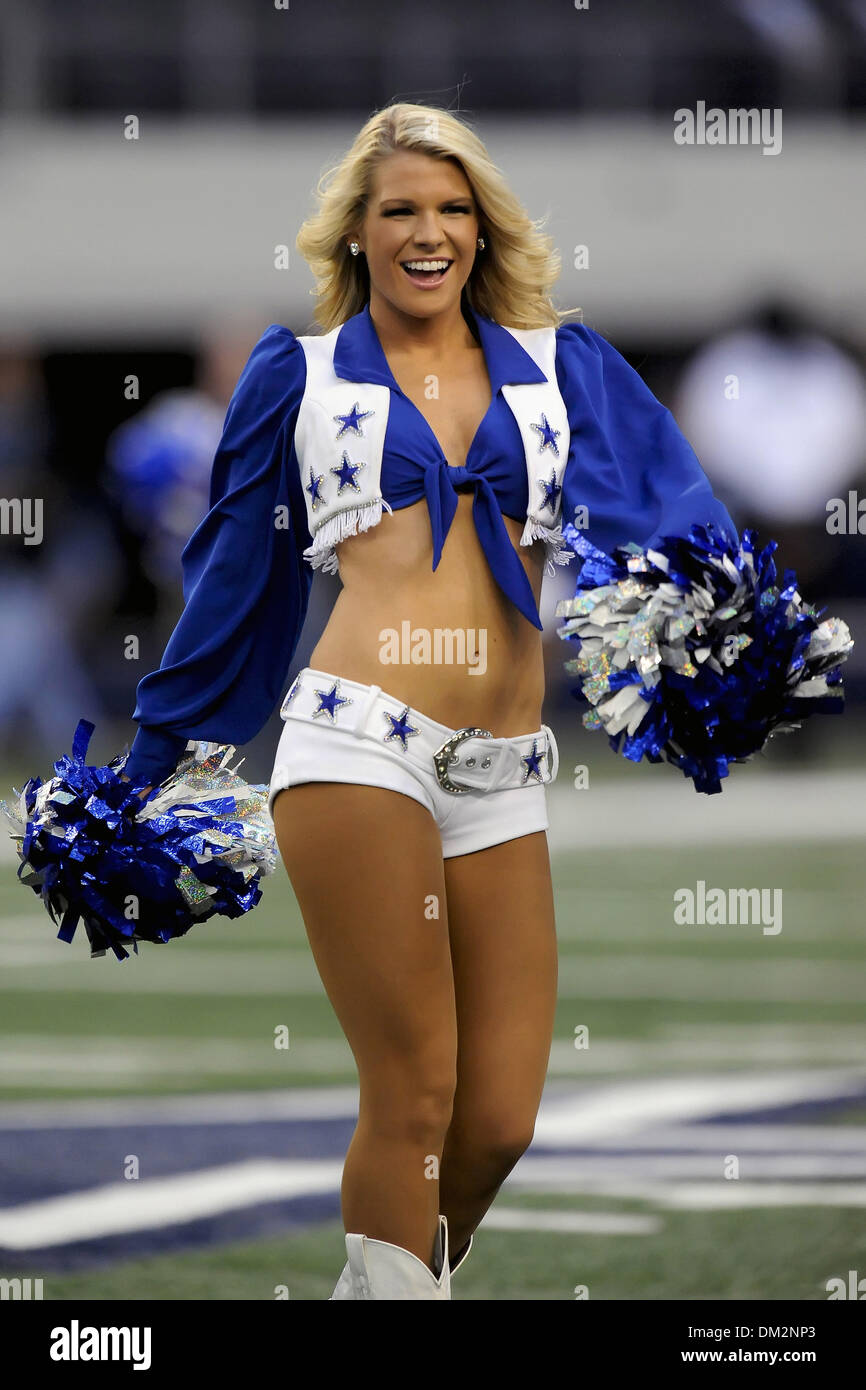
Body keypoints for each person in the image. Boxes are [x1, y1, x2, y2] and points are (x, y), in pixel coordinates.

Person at [121, 101, 738, 1299]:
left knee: (497, 1119)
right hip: (357, 746)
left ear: (480, 227)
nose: (427, 230)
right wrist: (150, 772)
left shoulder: (566, 365)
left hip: (504, 768)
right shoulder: (293, 373)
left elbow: (679, 521)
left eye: (451, 209)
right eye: (399, 208)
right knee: (413, 1094)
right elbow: (232, 580)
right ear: (355, 231)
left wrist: (722, 635)